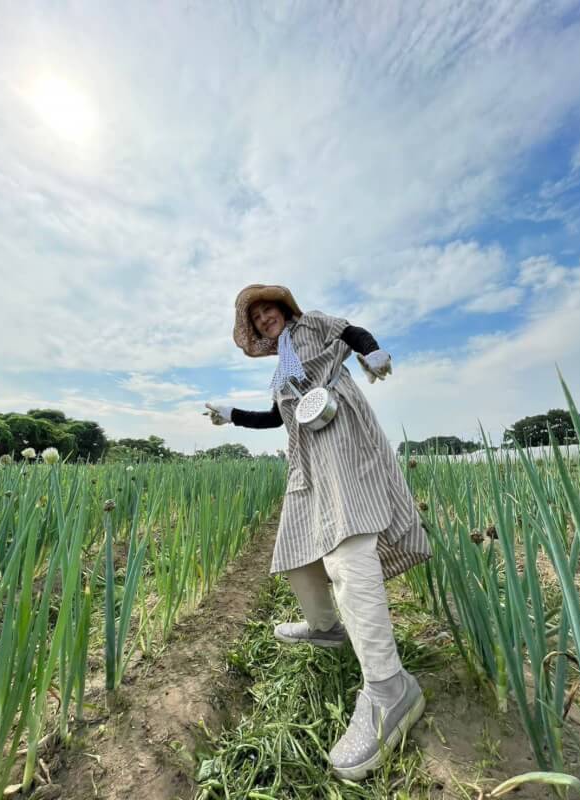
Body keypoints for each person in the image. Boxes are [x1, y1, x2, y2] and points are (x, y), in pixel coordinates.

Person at [205, 284, 431, 782]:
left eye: (269, 309)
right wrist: (231, 415)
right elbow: (275, 418)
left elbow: (350, 332)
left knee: (348, 548)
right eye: (257, 317)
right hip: (307, 454)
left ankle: (390, 688)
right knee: (299, 549)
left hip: (342, 434)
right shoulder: (280, 368)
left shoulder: (314, 326)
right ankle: (327, 628)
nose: (265, 318)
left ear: (285, 310)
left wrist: (371, 353)